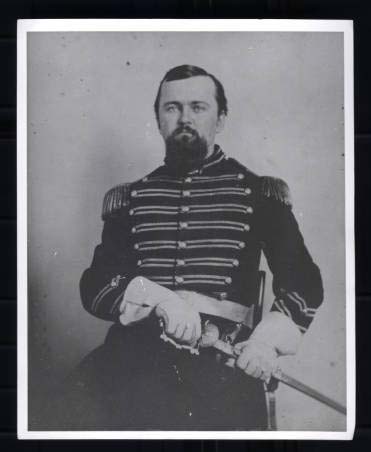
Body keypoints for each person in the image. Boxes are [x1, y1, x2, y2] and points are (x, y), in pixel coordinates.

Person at [69, 65, 323, 430]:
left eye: (198, 107)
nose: (184, 118)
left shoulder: (258, 193)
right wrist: (160, 299)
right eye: (172, 108)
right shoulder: (130, 199)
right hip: (132, 363)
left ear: (221, 118)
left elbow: (303, 282)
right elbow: (96, 284)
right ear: (158, 119)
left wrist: (265, 343)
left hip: (222, 368)